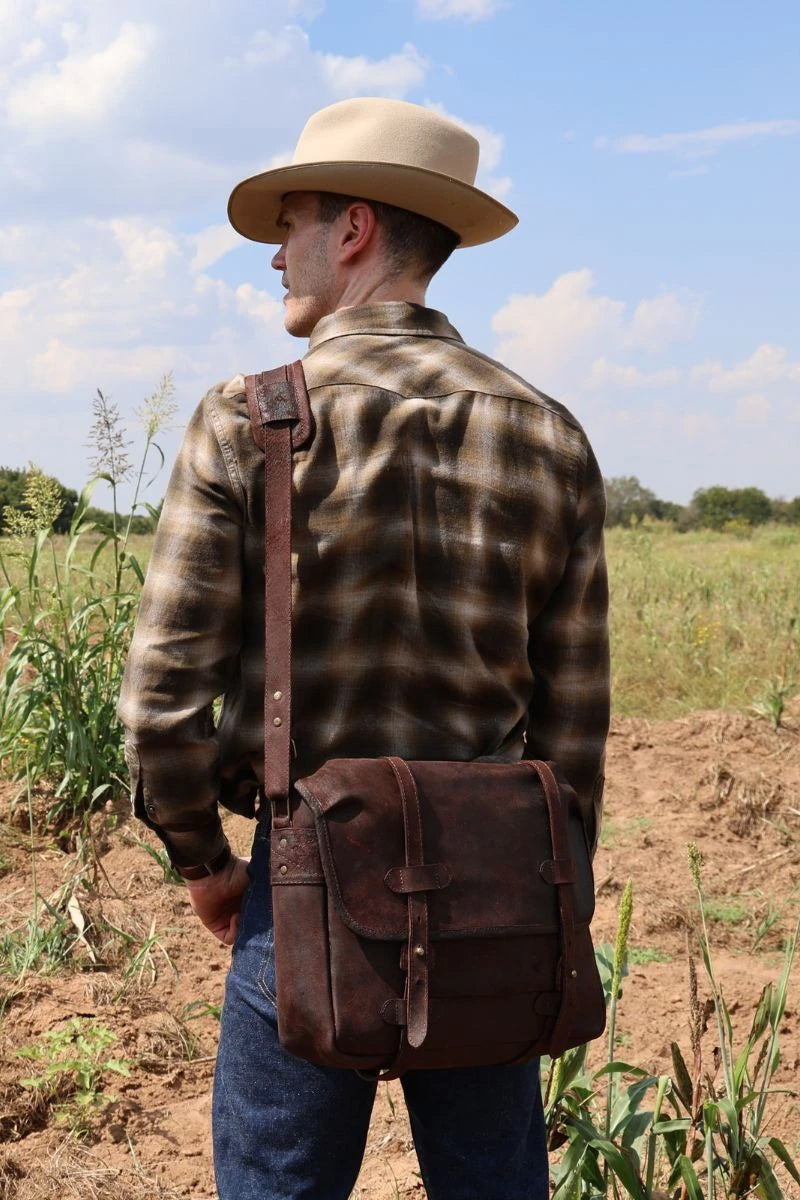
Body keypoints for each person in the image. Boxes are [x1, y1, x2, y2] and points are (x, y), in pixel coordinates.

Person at [118, 96, 610, 1200]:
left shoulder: (248, 419)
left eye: (287, 227)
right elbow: (574, 726)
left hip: (298, 895)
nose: (273, 259)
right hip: (491, 901)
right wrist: (551, 894)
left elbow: (158, 702)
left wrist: (204, 867)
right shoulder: (549, 432)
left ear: (350, 233)